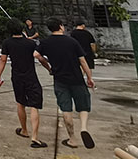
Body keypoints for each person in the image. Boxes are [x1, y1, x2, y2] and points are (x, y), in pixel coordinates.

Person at [39, 17, 96, 150]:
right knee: (83, 106)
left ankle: (72, 139)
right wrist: (89, 77)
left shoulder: (46, 42)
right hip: (77, 79)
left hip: (60, 80)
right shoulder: (72, 41)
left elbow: (36, 55)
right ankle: (83, 128)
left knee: (66, 109)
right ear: (61, 26)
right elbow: (82, 61)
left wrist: (48, 67)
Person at [0, 19, 52, 149]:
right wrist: (49, 69)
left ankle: (24, 130)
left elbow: (3, 60)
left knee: (20, 103)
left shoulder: (7, 43)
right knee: (34, 105)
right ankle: (35, 137)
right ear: (22, 29)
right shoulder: (30, 43)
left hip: (17, 76)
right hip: (31, 76)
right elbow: (40, 58)